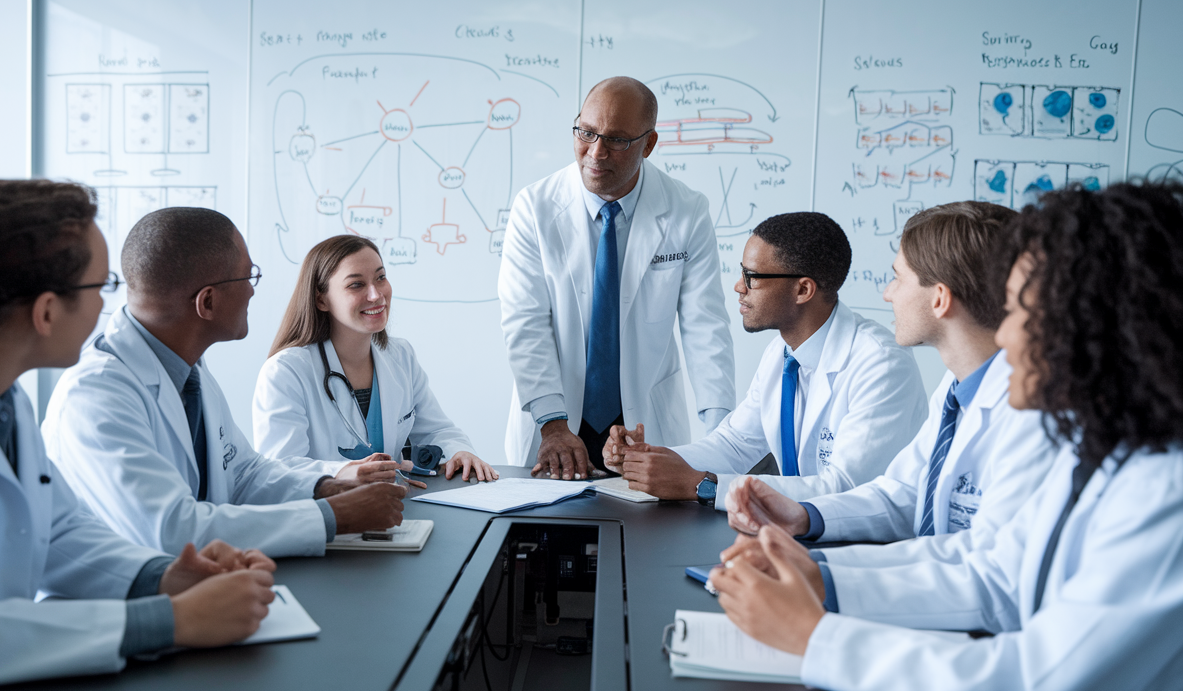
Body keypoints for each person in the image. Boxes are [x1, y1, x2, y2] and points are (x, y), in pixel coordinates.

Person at [709, 181, 1183, 691]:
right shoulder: (1105, 450)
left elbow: (1035, 686)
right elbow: (995, 571)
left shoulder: (1166, 493)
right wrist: (819, 578)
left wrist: (816, 636)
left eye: (1024, 315)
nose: (1007, 341)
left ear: (1100, 326)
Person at [0, 179, 279, 691]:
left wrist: (167, 579)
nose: (112, 308)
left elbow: (58, 532)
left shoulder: (3, 398)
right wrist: (167, 621)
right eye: (102, 287)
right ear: (47, 311)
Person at [42, 208, 406, 559]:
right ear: (208, 301)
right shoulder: (97, 395)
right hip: (125, 607)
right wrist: (336, 516)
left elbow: (245, 474)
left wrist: (331, 487)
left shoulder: (188, 372)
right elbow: (173, 532)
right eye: (248, 277)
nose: (252, 291)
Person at [726, 202, 1056, 569]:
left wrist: (824, 575)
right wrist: (804, 516)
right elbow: (903, 493)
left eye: (899, 278)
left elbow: (986, 570)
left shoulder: (1033, 417)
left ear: (940, 298)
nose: (888, 294)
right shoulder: (954, 388)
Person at [498, 76, 735, 479]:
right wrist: (554, 425)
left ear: (649, 144)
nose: (596, 152)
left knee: (649, 536)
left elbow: (705, 326)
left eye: (617, 141)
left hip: (645, 421)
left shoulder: (686, 211)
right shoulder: (534, 207)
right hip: (552, 419)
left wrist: (723, 436)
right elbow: (526, 323)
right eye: (586, 133)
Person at [604, 212, 927, 506]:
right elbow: (733, 445)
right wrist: (646, 459)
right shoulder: (782, 354)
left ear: (803, 290)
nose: (738, 287)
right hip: (796, 529)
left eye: (752, 276)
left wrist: (705, 486)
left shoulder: (882, 364)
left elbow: (846, 488)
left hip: (864, 547)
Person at [253, 234, 497, 483]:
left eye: (381, 278)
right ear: (321, 299)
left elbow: (437, 430)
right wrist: (345, 473)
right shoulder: (285, 372)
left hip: (393, 508)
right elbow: (280, 470)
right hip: (324, 514)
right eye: (356, 285)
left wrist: (459, 451)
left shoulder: (400, 356)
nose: (376, 295)